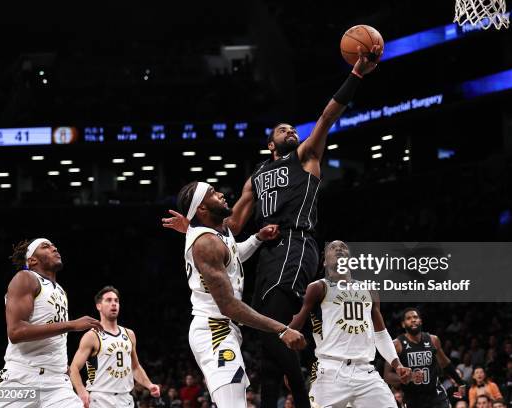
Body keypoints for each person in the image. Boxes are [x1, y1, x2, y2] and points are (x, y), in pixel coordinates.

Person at [163, 46, 381, 408]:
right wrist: (193, 228)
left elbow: (328, 116)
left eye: (293, 127)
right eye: (282, 129)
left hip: (296, 244)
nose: (291, 130)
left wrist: (356, 74)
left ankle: (306, 399)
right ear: (270, 144)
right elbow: (229, 225)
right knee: (265, 344)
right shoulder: (257, 175)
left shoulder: (306, 156)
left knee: (274, 332)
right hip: (267, 253)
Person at [175, 181, 306, 407]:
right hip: (214, 331)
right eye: (213, 193)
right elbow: (229, 306)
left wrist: (257, 238)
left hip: (223, 328)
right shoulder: (206, 243)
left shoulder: (218, 231)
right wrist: (281, 329)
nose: (221, 194)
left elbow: (233, 258)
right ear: (202, 209)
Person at [288, 240, 410, 407]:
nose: (339, 249)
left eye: (343, 247)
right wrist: (288, 366)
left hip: (365, 372)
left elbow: (380, 334)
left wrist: (398, 365)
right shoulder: (318, 287)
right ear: (324, 261)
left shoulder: (369, 289)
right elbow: (293, 330)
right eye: (333, 247)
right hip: (330, 371)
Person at [0, 238, 104, 408]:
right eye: (46, 246)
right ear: (32, 260)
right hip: (22, 379)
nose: (54, 248)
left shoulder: (59, 290)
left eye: (53, 245)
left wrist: (66, 371)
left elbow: (54, 338)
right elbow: (15, 332)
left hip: (57, 383)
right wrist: (72, 325)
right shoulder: (25, 278)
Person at [69, 286, 160, 407]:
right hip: (100, 399)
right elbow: (73, 368)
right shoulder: (92, 336)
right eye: (109, 300)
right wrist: (81, 391)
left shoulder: (129, 334)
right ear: (98, 306)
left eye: (116, 301)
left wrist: (149, 385)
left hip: (126, 399)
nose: (114, 304)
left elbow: (135, 367)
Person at [384, 308, 466, 408]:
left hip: (436, 396)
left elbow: (445, 363)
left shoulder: (433, 340)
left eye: (415, 317)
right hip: (413, 398)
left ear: (420, 321)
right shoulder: (396, 344)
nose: (413, 320)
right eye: (408, 318)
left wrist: (460, 383)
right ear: (403, 324)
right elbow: (387, 376)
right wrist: (408, 377)